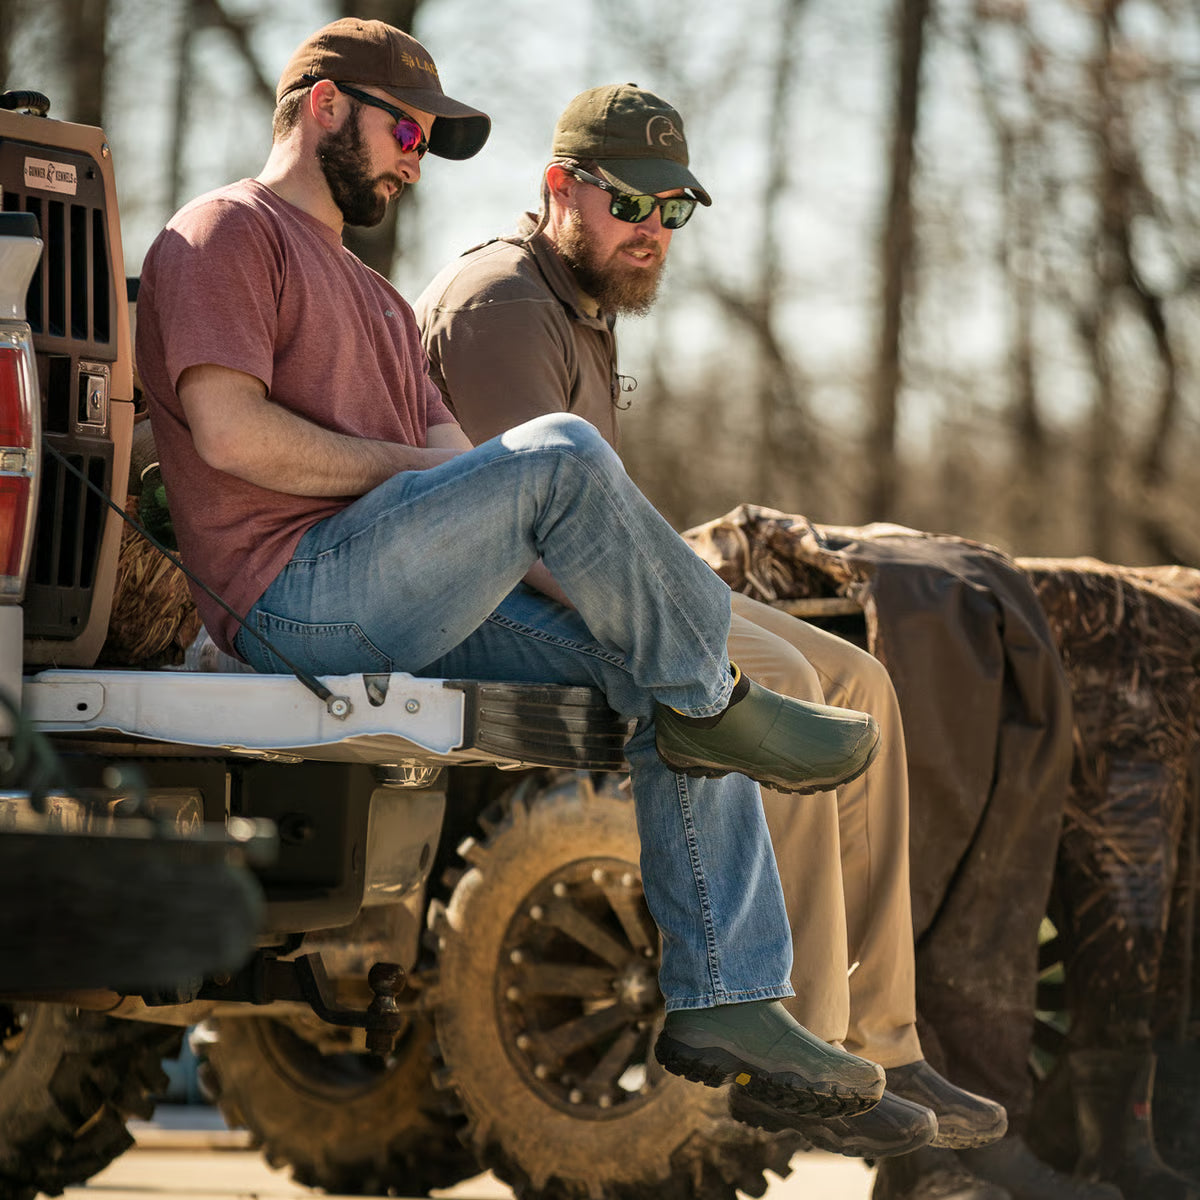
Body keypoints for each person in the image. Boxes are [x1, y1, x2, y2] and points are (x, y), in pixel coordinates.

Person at [135, 17, 896, 1131]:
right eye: (408, 127)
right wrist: (416, 476)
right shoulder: (223, 234)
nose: (415, 155)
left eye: (428, 140)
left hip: (402, 600)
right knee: (565, 457)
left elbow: (468, 479)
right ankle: (719, 700)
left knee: (656, 675)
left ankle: (726, 996)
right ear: (323, 106)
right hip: (291, 599)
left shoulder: (382, 303)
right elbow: (229, 433)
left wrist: (597, 592)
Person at [414, 83, 1113, 1197]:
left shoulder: (580, 302)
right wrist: (682, 610)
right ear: (560, 188)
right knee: (773, 676)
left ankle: (880, 1044)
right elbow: (524, 538)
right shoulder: (503, 304)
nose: (651, 232)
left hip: (594, 577)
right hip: (497, 602)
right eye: (629, 204)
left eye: (672, 212)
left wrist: (680, 579)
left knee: (859, 679)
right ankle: (801, 1042)